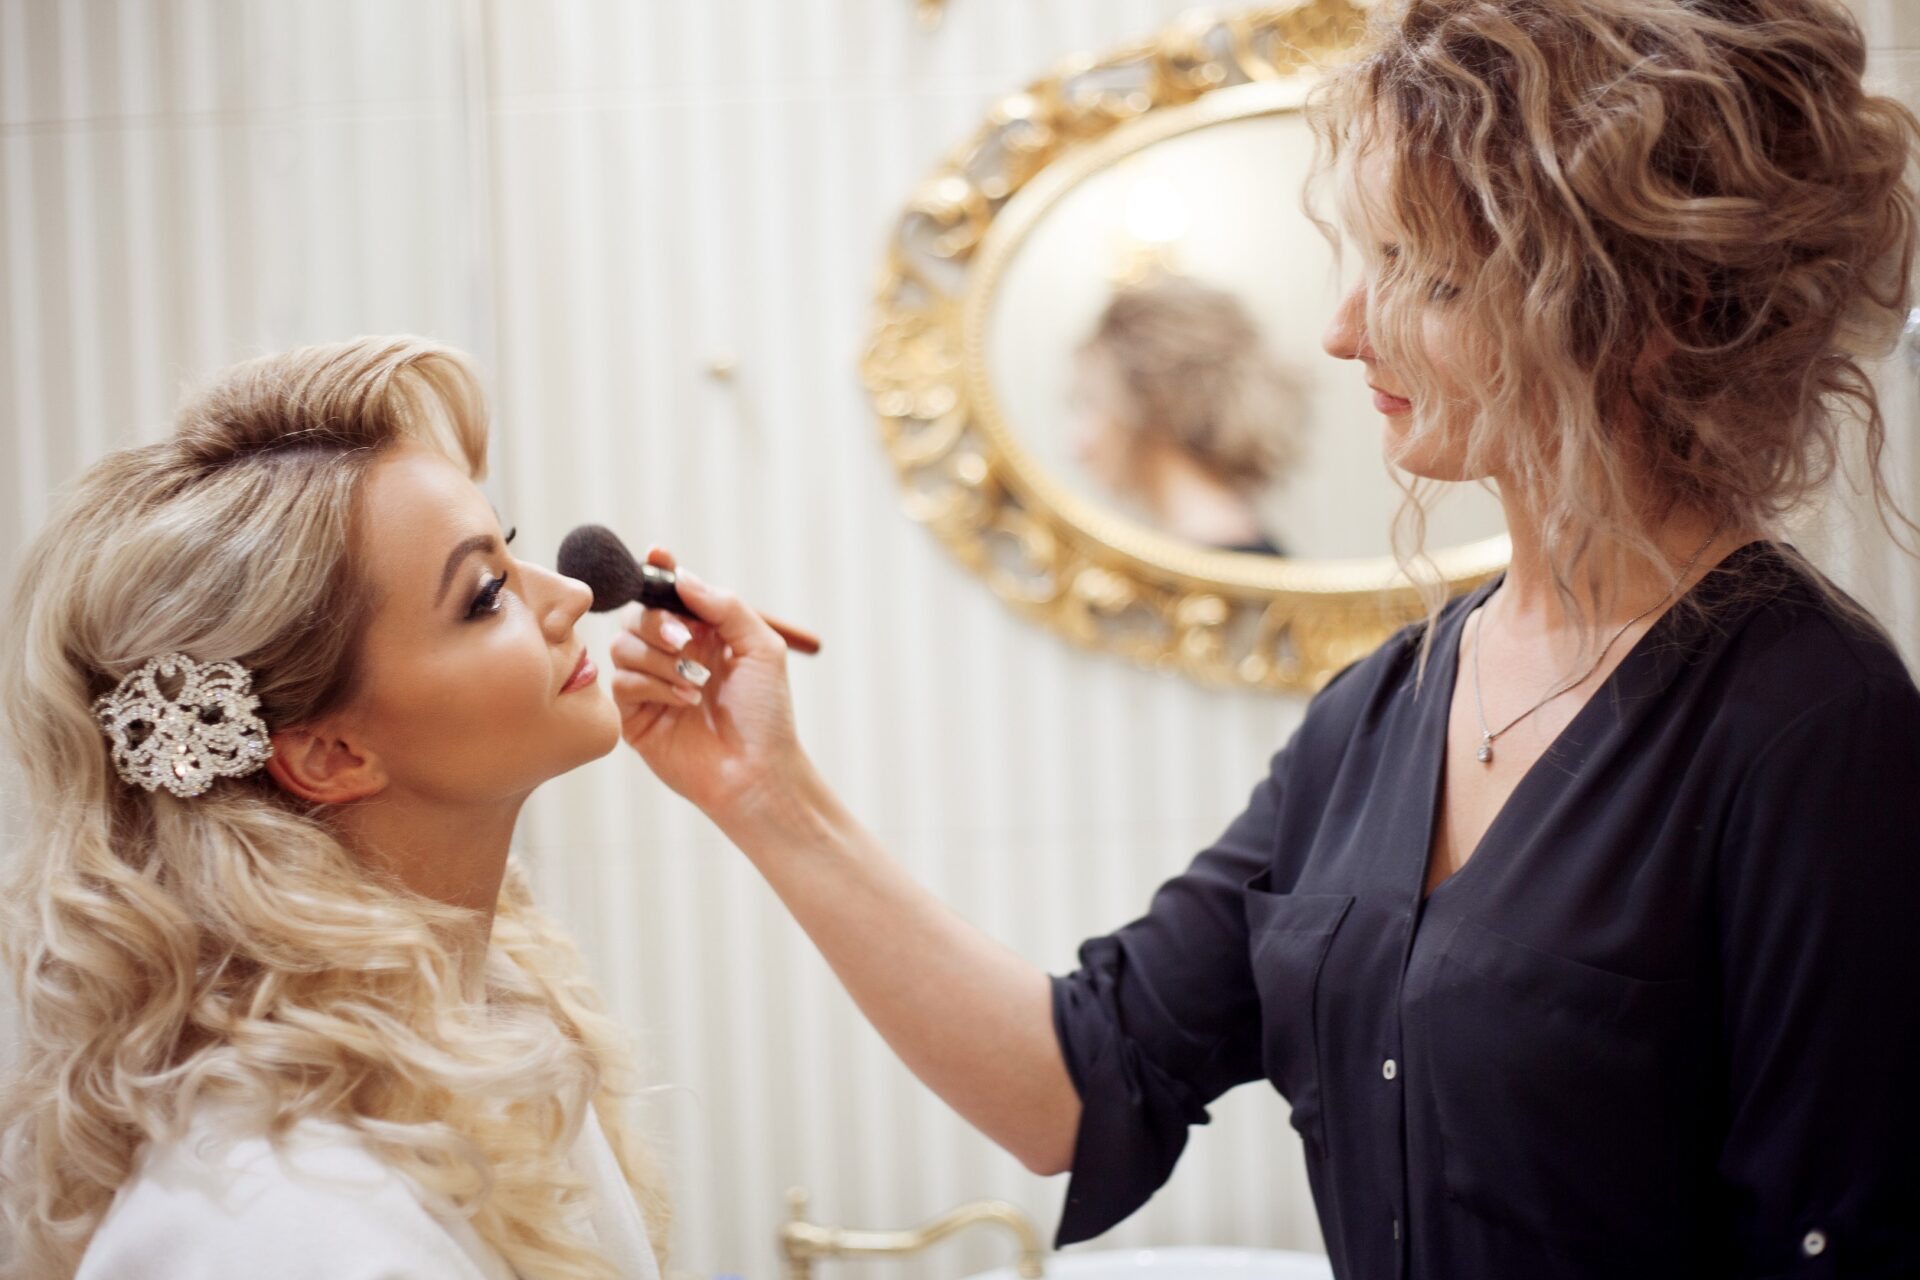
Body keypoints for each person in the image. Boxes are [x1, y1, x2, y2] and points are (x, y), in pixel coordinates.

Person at [607, 0, 1920, 1276]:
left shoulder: (1812, 722)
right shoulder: (1379, 715)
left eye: (1424, 270)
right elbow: (1077, 1081)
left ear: (1628, 308)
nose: (1347, 328)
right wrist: (769, 795)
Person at [0, 338, 669, 1280]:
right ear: (328, 752)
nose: (570, 596)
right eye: (486, 596)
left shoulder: (492, 1028)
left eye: (510, 555)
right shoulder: (280, 1219)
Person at [1069, 276, 1307, 555]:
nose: (1076, 445)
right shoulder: (1235, 546)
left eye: (1088, 403)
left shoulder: (1206, 567)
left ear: (1147, 402)